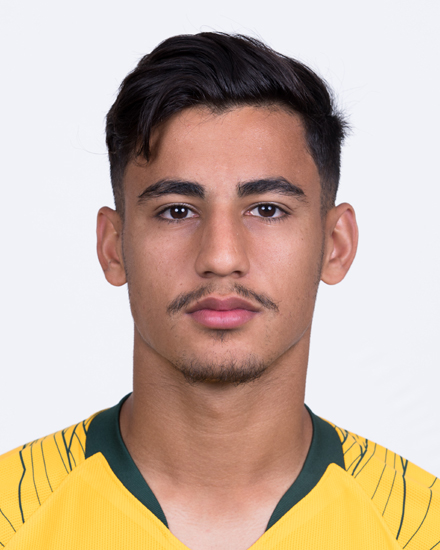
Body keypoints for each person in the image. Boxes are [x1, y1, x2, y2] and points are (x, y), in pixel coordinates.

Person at [0, 32, 438, 550]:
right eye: (176, 211)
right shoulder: (11, 516)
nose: (221, 256)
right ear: (113, 247)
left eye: (267, 209)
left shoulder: (420, 528)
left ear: (335, 245)